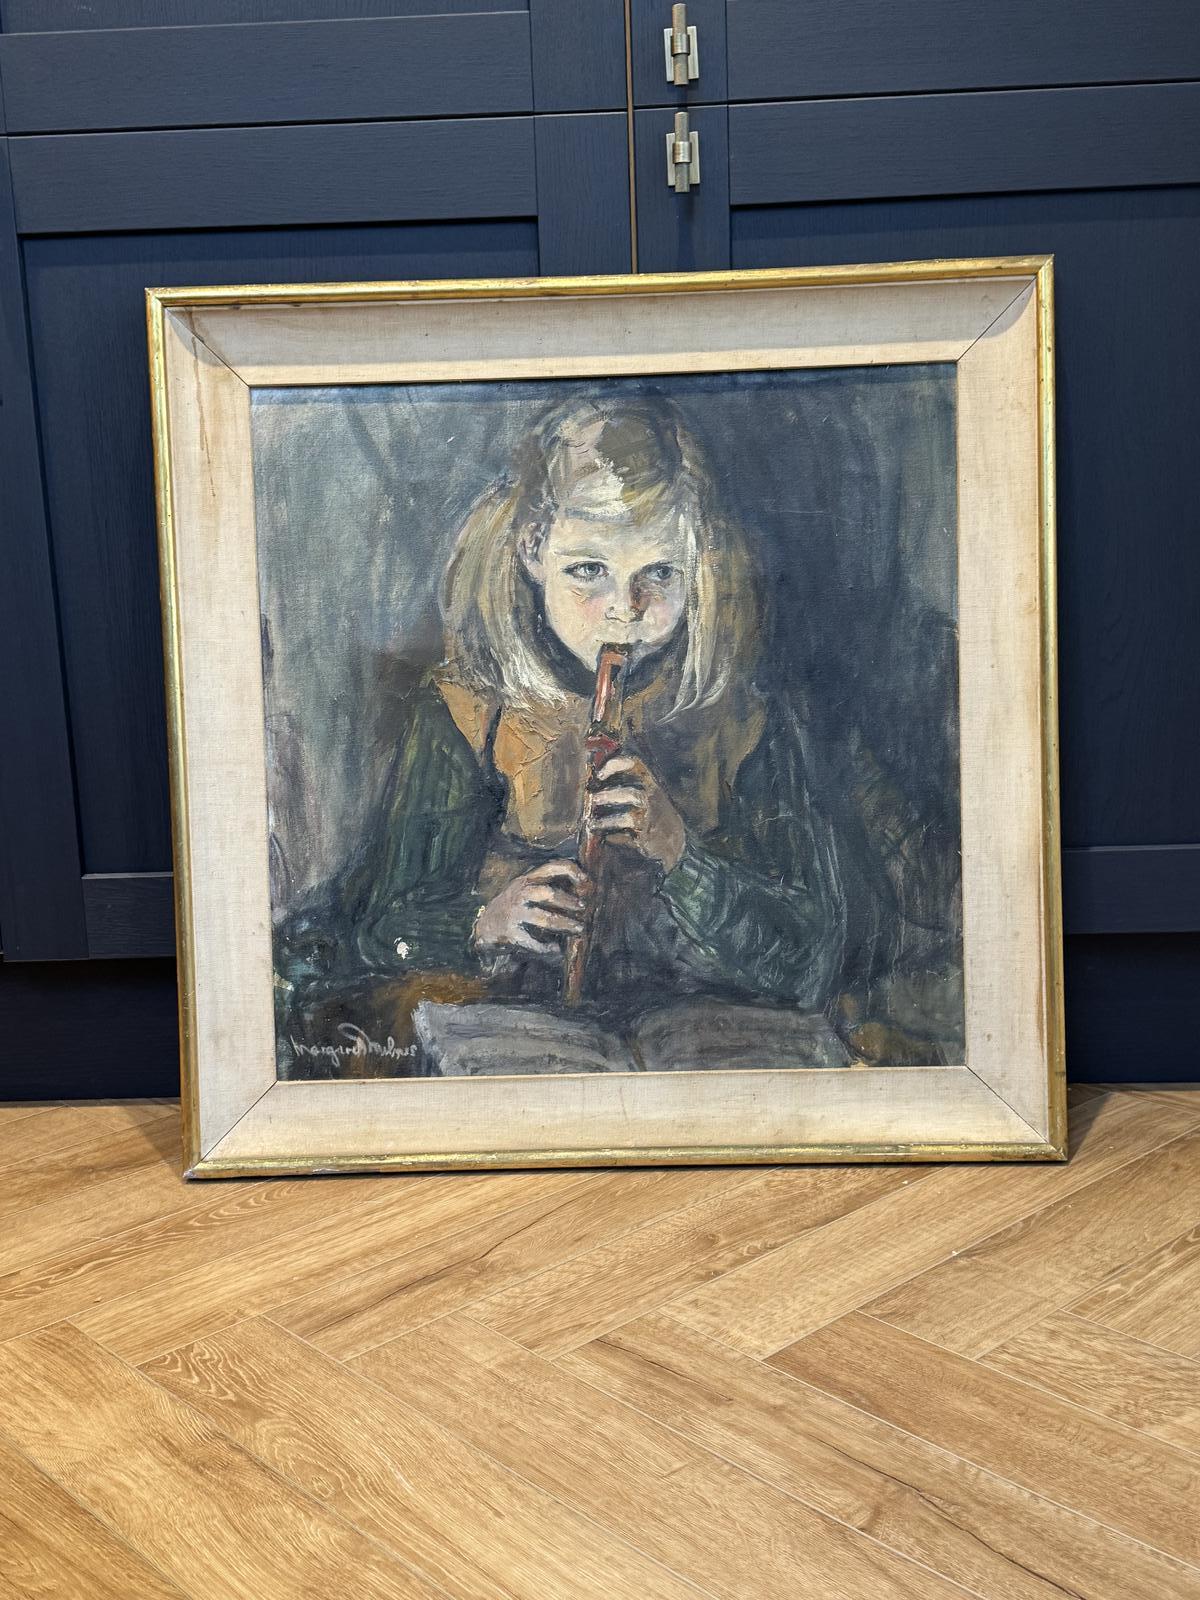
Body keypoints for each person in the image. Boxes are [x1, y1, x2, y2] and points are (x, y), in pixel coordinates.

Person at [274, 394, 850, 1065]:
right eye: (588, 571)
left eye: (659, 574)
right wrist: (483, 923)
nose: (624, 612)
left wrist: (678, 853)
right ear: (533, 550)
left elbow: (810, 958)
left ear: (698, 568)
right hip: (512, 1043)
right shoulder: (469, 713)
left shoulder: (741, 722)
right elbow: (378, 926)